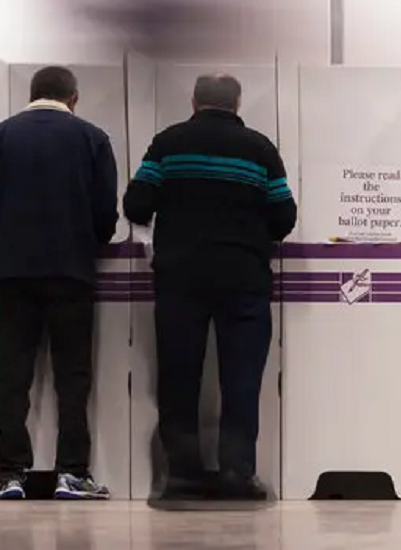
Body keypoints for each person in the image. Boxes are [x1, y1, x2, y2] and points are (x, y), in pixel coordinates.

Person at [123, 73, 297, 500]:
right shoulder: (260, 148)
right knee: (241, 377)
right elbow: (284, 217)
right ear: (237, 104)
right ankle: (238, 474)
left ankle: (181, 477)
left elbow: (136, 204)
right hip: (244, 278)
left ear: (194, 100)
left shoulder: (168, 143)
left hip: (180, 276)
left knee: (179, 376)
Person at [0, 66, 120, 500]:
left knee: (12, 377)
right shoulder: (93, 138)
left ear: (33, 94)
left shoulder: (0, 135)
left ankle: (9, 474)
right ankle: (73, 474)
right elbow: (106, 214)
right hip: (72, 272)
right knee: (73, 376)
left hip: (13, 273)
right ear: (73, 97)